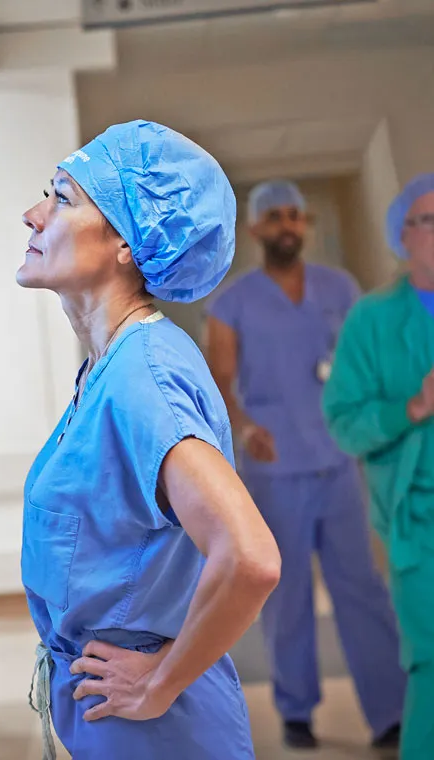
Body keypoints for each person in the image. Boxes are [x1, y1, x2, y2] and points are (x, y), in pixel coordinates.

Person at [19, 119, 281, 760]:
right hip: (118, 707)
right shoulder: (111, 365)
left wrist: (161, 681)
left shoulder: (143, 377)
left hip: (154, 722)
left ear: (127, 244)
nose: (34, 215)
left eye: (63, 197)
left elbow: (249, 557)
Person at [204, 179, 406, 750]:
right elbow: (220, 382)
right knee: (286, 592)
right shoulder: (233, 303)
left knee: (361, 587)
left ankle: (390, 710)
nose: (288, 226)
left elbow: (369, 365)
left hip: (338, 464)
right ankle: (295, 708)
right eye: (276, 217)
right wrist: (242, 428)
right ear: (256, 230)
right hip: (273, 470)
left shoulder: (340, 289)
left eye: (296, 216)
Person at [323, 172, 434, 759]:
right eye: (430, 220)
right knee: (432, 665)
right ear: (404, 235)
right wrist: (414, 405)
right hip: (419, 518)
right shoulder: (373, 320)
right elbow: (344, 420)